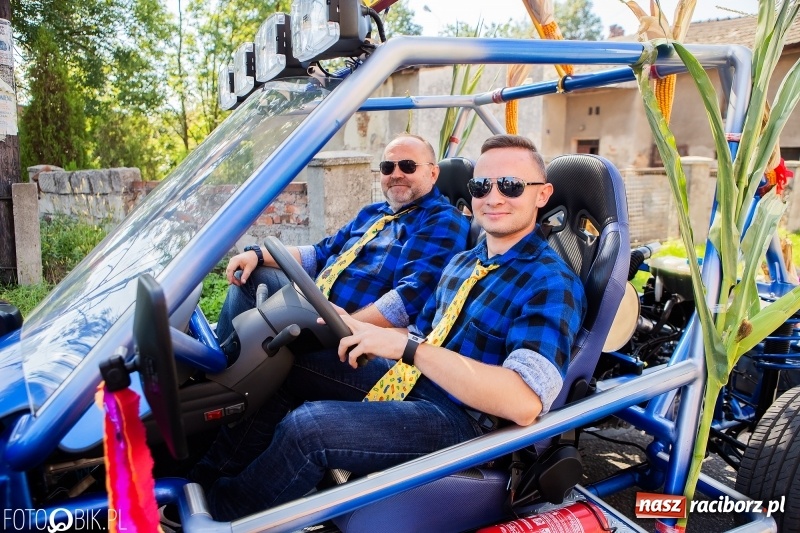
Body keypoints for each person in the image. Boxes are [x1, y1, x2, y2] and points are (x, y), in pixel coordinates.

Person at [194, 134, 587, 521]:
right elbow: (422, 334)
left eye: (512, 186)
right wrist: (361, 330)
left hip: (465, 417)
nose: (494, 197)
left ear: (542, 194)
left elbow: (524, 402)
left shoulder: (550, 282)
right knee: (288, 361)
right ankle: (206, 477)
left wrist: (409, 349)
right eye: (482, 185)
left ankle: (222, 516)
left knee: (310, 427)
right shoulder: (465, 262)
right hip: (415, 378)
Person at [214, 133, 470, 344]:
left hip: (348, 329)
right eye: (387, 167)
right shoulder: (373, 213)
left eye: (408, 166)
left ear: (434, 174)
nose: (396, 173)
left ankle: (225, 376)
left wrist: (345, 326)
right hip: (315, 305)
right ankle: (223, 363)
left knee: (260, 339)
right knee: (251, 275)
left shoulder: (441, 220)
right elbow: (320, 253)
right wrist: (256, 254)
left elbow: (409, 298)